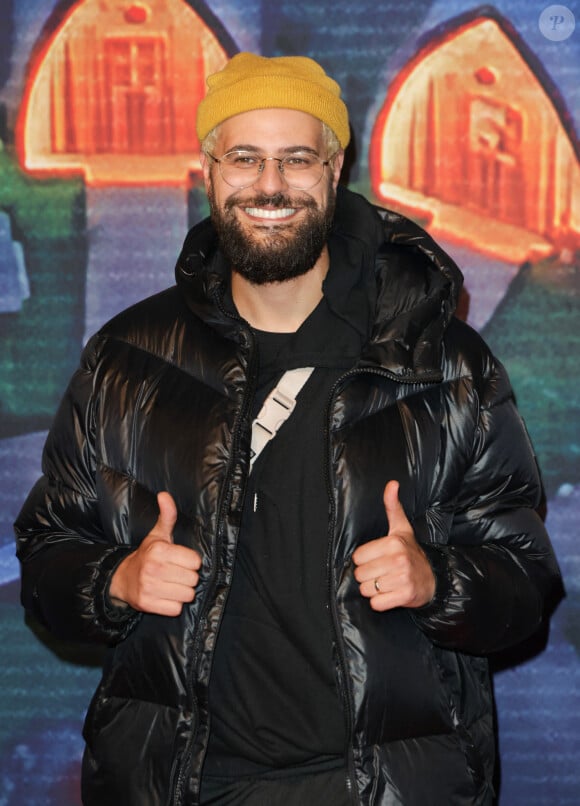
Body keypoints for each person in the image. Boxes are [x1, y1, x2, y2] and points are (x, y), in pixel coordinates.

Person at [15, 53, 561, 806]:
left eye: (296, 159)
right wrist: (116, 579)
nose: (269, 186)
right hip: (179, 784)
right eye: (244, 158)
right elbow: (45, 557)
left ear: (334, 170)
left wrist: (437, 580)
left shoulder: (441, 363)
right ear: (208, 168)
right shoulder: (127, 359)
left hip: (384, 787)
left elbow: (527, 584)